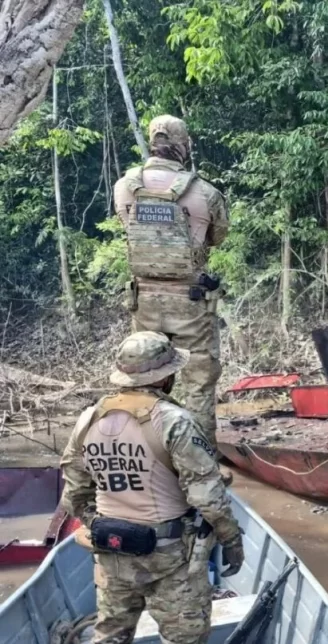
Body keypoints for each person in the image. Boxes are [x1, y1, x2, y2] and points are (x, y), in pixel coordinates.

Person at [60, 331, 244, 644]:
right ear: (164, 376)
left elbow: (74, 495)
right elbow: (207, 497)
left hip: (112, 554)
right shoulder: (174, 420)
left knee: (108, 638)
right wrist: (232, 541)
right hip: (171, 558)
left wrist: (99, 525)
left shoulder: (88, 419)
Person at [113, 115, 228, 445]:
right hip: (190, 300)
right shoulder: (205, 192)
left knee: (143, 379)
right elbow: (217, 237)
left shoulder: (125, 186)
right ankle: (200, 465)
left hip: (143, 299)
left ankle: (147, 456)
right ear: (183, 146)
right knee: (198, 382)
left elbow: (127, 227)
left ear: (152, 142)